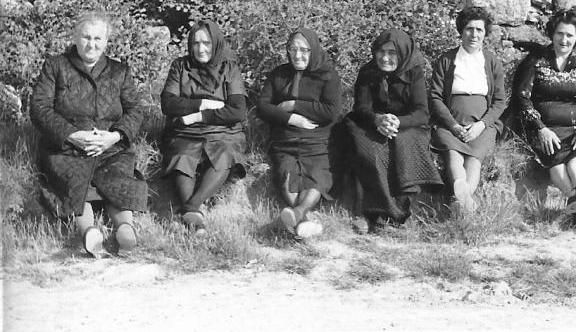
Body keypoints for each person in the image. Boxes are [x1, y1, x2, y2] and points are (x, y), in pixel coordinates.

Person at [30, 12, 146, 257]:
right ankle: (89, 233)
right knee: (75, 179)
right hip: (66, 147)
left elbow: (136, 110)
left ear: (106, 41)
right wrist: (72, 135)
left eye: (97, 38)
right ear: (75, 37)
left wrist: (114, 137)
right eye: (86, 37)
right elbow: (39, 108)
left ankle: (125, 230)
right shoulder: (55, 66)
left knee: (117, 177)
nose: (91, 44)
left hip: (111, 146)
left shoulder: (119, 71)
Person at [508, 7, 576, 223]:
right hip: (543, 129)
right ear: (552, 34)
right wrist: (541, 129)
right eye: (560, 34)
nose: (564, 40)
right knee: (556, 163)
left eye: (569, 35)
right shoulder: (536, 61)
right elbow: (522, 98)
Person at [345, 29, 443, 233]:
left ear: (403, 53)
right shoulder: (367, 72)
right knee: (370, 152)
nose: (385, 58)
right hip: (373, 123)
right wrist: (377, 120)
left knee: (403, 145)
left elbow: (421, 112)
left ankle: (396, 215)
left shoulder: (414, 72)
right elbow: (361, 107)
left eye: (392, 53)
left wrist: (398, 121)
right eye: (381, 52)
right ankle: (371, 214)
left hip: (407, 125)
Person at [160, 19, 247, 234]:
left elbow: (237, 111)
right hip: (185, 131)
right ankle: (196, 223)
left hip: (223, 132)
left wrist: (199, 116)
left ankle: (190, 208)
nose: (201, 49)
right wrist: (203, 104)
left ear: (215, 42)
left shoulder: (229, 68)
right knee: (181, 155)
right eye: (196, 43)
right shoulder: (180, 66)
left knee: (225, 154)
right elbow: (168, 104)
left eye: (206, 43)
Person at [257, 28, 341, 238]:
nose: (297, 55)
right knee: (286, 172)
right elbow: (263, 108)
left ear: (314, 50)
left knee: (317, 174)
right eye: (292, 49)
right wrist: (292, 118)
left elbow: (330, 112)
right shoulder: (279, 74)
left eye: (304, 50)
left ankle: (297, 213)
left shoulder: (328, 75)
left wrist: (293, 104)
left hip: (317, 139)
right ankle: (302, 219)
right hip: (286, 138)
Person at [429, 7, 506, 213]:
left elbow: (500, 101)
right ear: (461, 31)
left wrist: (481, 125)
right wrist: (453, 126)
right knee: (452, 153)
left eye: (479, 30)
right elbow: (435, 96)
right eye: (469, 29)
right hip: (450, 123)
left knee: (474, 158)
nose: (474, 35)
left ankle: (463, 198)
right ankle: (464, 197)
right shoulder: (447, 60)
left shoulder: (491, 62)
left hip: (481, 125)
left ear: (485, 33)